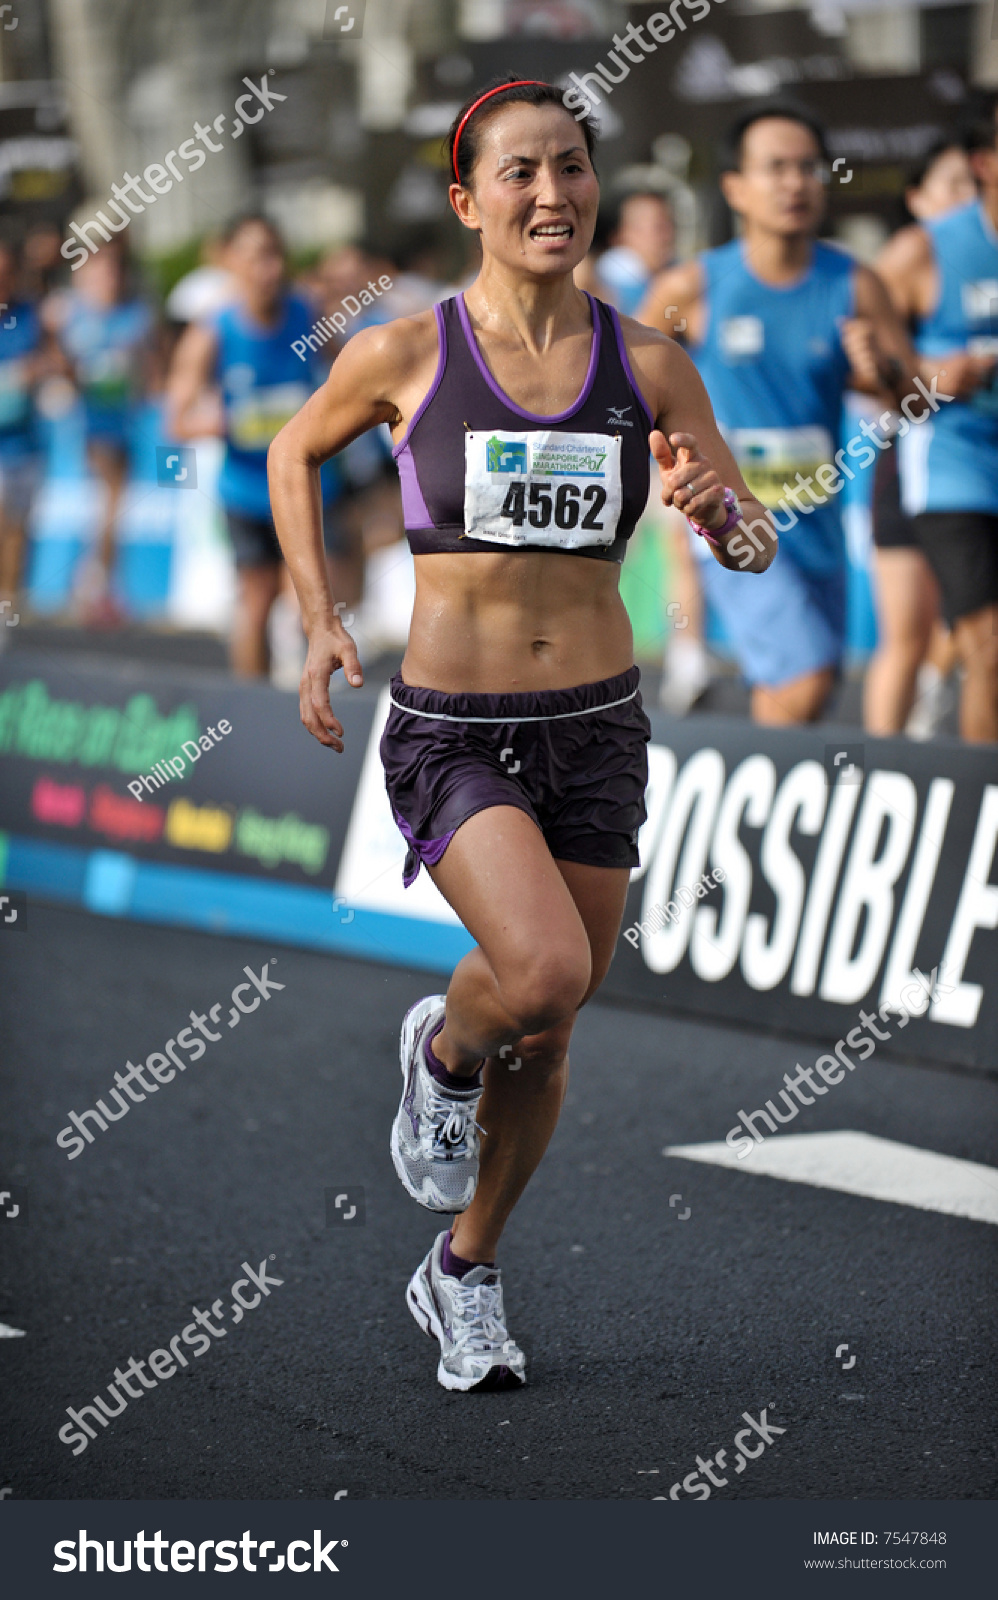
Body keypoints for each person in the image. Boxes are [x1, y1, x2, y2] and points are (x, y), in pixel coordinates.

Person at [268, 77, 774, 1392]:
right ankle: (442, 1047)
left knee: (552, 1030)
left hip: (596, 725)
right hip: (451, 727)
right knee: (540, 974)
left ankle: (463, 1270)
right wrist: (321, 617)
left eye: (570, 167)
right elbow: (289, 453)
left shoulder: (649, 363)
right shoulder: (402, 353)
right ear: (466, 201)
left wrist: (718, 509)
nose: (551, 194)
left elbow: (750, 541)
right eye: (519, 174)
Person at [640, 104, 919, 725]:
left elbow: (914, 401)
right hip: (736, 512)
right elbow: (629, 385)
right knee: (805, 679)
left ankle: (757, 798)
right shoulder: (695, 288)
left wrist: (880, 371)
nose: (795, 182)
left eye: (808, 168)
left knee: (807, 685)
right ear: (736, 187)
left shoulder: (854, 283)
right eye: (776, 168)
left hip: (818, 514)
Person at [165, 214, 347, 678]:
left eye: (273, 255)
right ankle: (249, 706)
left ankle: (311, 703)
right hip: (245, 488)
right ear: (229, 262)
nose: (266, 269)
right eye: (252, 257)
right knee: (256, 599)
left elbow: (353, 380)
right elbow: (176, 422)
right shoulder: (211, 332)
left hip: (305, 485)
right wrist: (228, 422)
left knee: (309, 597)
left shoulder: (308, 313)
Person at [877, 98, 998, 743]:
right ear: (985, 164)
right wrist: (928, 369)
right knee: (989, 651)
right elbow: (867, 353)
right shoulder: (926, 250)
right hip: (955, 465)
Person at [863, 140, 976, 737]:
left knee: (973, 624)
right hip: (908, 460)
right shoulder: (907, 260)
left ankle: (938, 696)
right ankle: (879, 767)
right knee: (903, 634)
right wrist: (933, 374)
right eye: (954, 184)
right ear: (917, 198)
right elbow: (864, 366)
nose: (969, 199)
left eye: (975, 185)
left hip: (978, 466)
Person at [45, 231, 157, 624]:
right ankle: (91, 585)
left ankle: (99, 584)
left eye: (115, 264)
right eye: (100, 264)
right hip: (77, 429)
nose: (109, 273)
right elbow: (55, 363)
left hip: (122, 425)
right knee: (107, 501)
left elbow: (150, 373)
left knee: (113, 505)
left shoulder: (136, 316)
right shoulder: (67, 313)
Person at [0, 239, 47, 611]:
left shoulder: (31, 315)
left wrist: (39, 369)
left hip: (25, 445)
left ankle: (10, 605)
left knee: (18, 529)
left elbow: (56, 358)